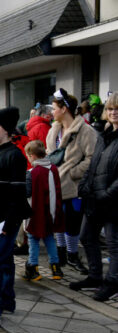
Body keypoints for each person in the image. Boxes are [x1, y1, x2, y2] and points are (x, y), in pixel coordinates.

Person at [0, 107, 30, 327]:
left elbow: (18, 193)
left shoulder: (15, 155)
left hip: (6, 218)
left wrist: (9, 223)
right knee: (5, 260)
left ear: (7, 130)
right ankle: (7, 301)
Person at [72, 92, 118, 301]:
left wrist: (108, 193)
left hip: (112, 200)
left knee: (113, 242)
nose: (113, 113)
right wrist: (84, 185)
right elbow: (93, 163)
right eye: (110, 109)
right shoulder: (104, 133)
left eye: (117, 109)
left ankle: (112, 282)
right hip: (95, 197)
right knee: (86, 237)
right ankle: (95, 276)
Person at [46, 88, 97, 273]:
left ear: (64, 109)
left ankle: (73, 254)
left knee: (72, 223)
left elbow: (92, 158)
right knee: (57, 220)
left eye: (54, 108)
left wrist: (75, 172)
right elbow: (50, 154)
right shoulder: (54, 130)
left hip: (73, 185)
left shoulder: (86, 131)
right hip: (54, 183)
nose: (52, 112)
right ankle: (60, 253)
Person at [23, 140, 65, 281]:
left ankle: (33, 267)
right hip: (50, 213)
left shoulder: (31, 173)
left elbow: (27, 193)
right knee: (49, 239)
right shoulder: (53, 169)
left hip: (34, 214)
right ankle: (55, 267)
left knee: (33, 240)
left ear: (32, 155)